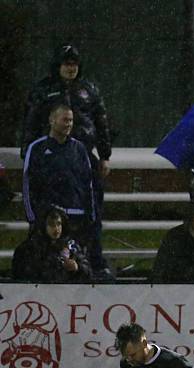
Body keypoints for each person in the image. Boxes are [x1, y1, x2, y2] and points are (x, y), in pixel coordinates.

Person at [21, 44, 112, 279]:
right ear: (58, 65)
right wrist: (26, 150)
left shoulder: (88, 90)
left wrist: (105, 154)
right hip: (53, 154)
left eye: (74, 64)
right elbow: (31, 120)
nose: (71, 68)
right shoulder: (44, 89)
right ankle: (42, 267)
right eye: (66, 63)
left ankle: (93, 261)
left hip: (82, 154)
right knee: (49, 219)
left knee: (92, 212)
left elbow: (101, 121)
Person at [23, 104, 96, 252]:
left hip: (76, 216)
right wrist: (32, 217)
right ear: (52, 120)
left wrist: (90, 215)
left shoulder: (79, 149)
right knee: (48, 261)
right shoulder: (37, 148)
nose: (68, 124)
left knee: (75, 263)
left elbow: (88, 184)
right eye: (65, 120)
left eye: (71, 120)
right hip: (49, 218)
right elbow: (28, 184)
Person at [12, 207, 92, 283]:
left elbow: (88, 271)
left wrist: (77, 267)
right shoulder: (30, 247)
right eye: (51, 224)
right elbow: (25, 274)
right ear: (43, 226)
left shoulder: (71, 245)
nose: (56, 228)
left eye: (59, 224)